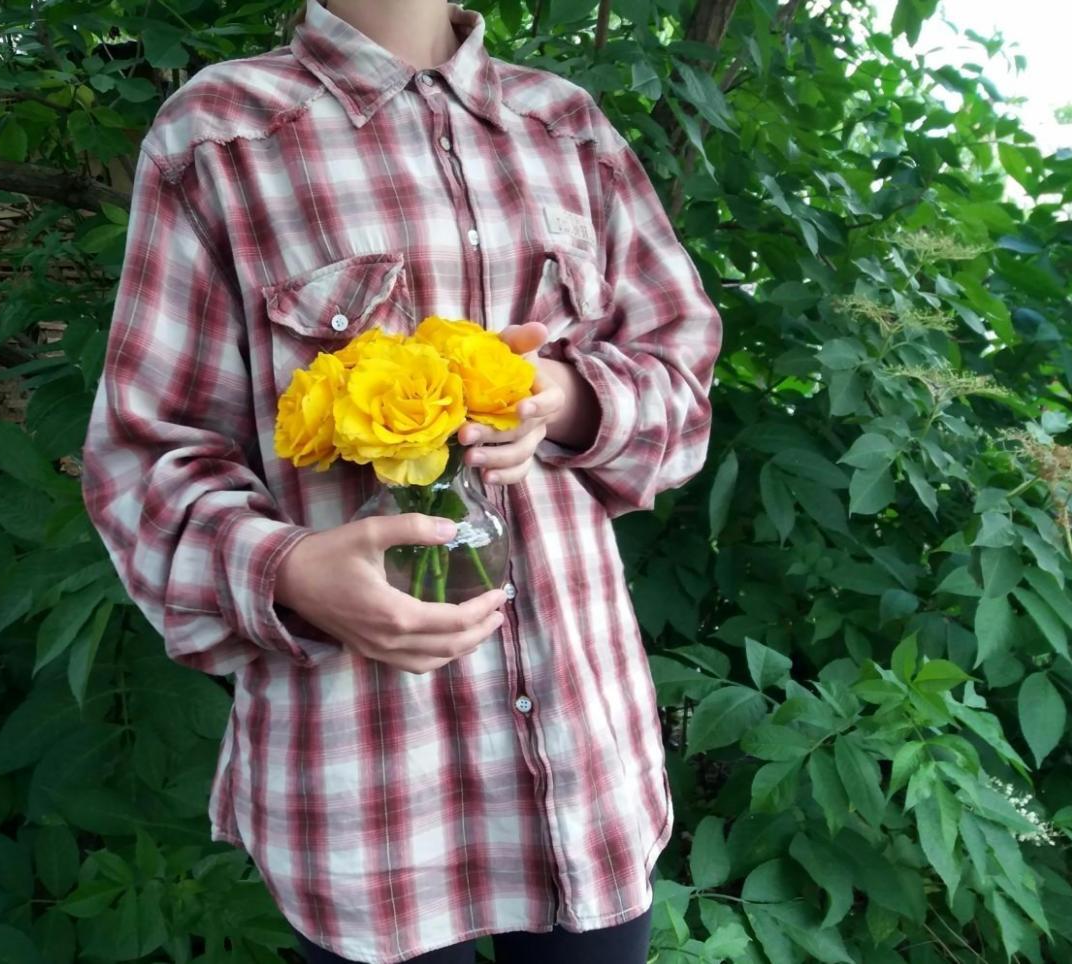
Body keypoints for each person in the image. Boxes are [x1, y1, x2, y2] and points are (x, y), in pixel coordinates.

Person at [80, 0, 722, 961]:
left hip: (587, 756)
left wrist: (570, 398)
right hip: (368, 777)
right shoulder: (223, 134)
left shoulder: (567, 128)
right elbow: (143, 454)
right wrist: (286, 573)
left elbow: (681, 376)